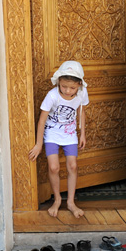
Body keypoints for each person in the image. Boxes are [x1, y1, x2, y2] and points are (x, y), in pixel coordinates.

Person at [29, 61, 89, 218]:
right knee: (54, 167)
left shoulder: (82, 93)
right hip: (52, 133)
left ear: (79, 85)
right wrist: (39, 144)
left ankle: (70, 202)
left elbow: (81, 111)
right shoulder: (52, 95)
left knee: (73, 166)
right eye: (64, 86)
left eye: (72, 88)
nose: (68, 91)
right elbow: (42, 120)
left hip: (69, 134)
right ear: (58, 82)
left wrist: (82, 133)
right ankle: (56, 200)